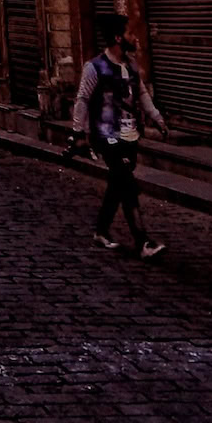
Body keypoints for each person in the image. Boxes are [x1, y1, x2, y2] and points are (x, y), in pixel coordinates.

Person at [69, 13, 170, 259]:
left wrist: (157, 117)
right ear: (117, 38)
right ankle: (143, 241)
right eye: (129, 34)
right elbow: (82, 99)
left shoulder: (132, 66)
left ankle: (101, 232)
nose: (134, 38)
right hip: (107, 134)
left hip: (130, 134)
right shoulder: (95, 67)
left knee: (117, 184)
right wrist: (77, 132)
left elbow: (142, 93)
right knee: (127, 184)